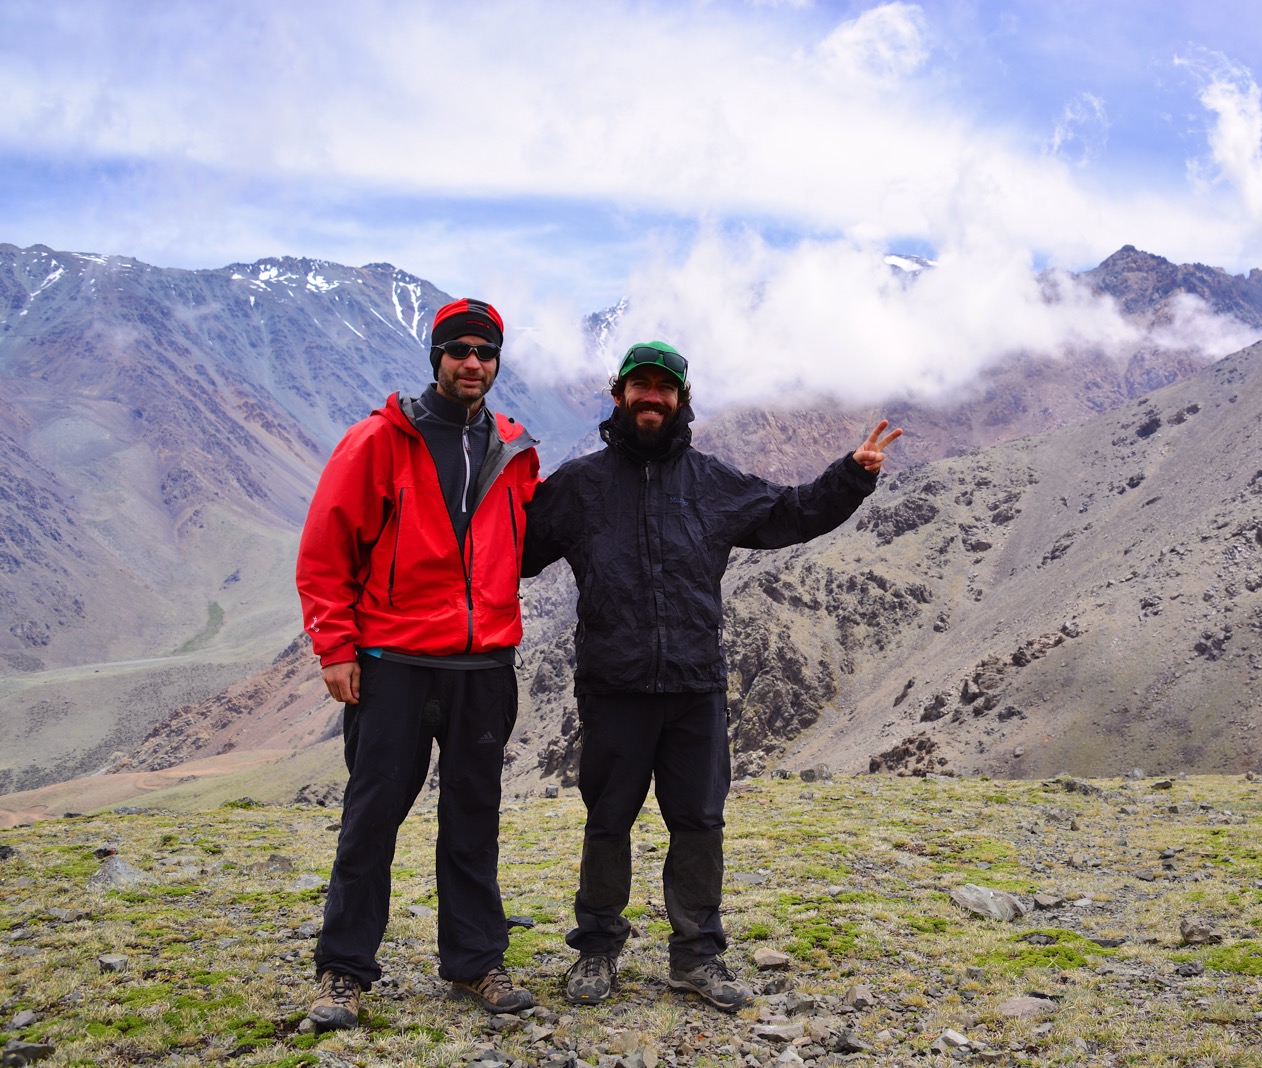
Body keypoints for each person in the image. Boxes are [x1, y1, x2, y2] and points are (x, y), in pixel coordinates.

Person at [521, 340, 902, 1012]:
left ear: (680, 400)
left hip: (694, 687)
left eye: (664, 388)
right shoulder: (578, 486)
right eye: (640, 385)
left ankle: (697, 956)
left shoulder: (709, 481)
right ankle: (597, 949)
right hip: (613, 688)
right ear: (619, 395)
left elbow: (789, 513)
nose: (652, 397)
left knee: (699, 823)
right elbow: (512, 551)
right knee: (607, 822)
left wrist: (851, 475)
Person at [295, 298, 541, 1030]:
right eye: (459, 349)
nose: (473, 362)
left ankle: (475, 962)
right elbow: (326, 548)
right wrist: (335, 648)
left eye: (485, 352)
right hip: (393, 662)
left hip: (483, 666)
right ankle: (344, 971)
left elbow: (528, 539)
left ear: (496, 363)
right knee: (371, 818)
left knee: (474, 819)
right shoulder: (378, 440)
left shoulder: (513, 448)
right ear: (436, 357)